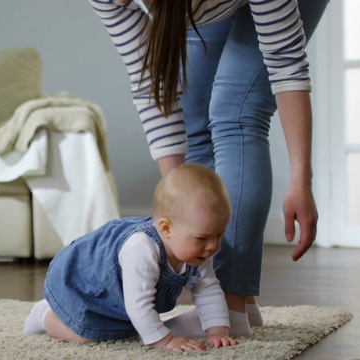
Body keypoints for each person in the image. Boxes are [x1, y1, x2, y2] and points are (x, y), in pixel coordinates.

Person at [88, 0, 329, 335]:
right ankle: (237, 305)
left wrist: (301, 179)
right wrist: (173, 208)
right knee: (192, 117)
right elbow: (152, 86)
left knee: (236, 110)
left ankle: (232, 305)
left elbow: (285, 63)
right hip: (197, 8)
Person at [24, 163, 239, 352]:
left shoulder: (198, 252)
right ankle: (43, 314)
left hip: (123, 299)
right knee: (88, 335)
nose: (212, 246)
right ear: (166, 228)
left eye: (219, 235)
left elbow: (209, 290)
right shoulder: (142, 249)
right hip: (87, 286)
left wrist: (216, 332)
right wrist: (165, 340)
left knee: (124, 328)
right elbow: (139, 304)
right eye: (202, 238)